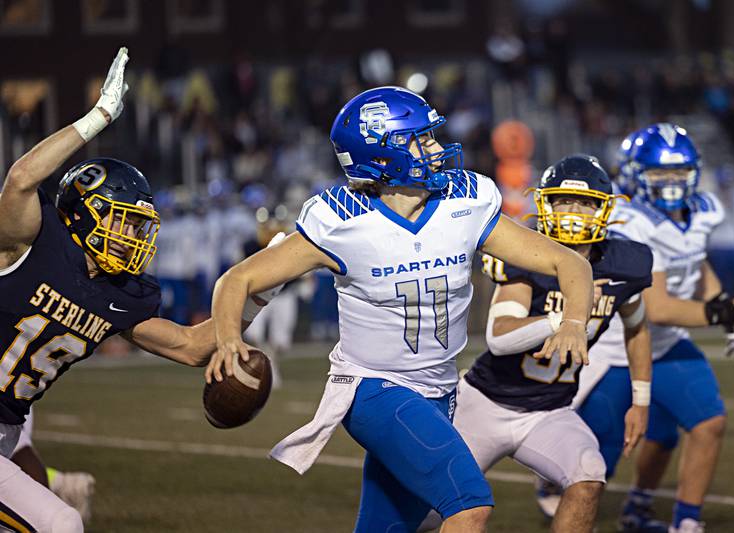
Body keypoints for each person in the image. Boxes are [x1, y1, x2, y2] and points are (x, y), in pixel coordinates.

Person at [206, 86, 595, 533]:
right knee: (469, 506)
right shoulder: (341, 222)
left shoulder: (463, 203)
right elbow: (238, 279)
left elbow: (567, 262)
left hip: (440, 391)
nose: (435, 148)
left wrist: (573, 322)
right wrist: (229, 339)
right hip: (375, 389)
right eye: (421, 139)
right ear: (383, 153)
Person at [0, 47, 270, 533]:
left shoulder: (122, 295)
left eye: (140, 227)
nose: (135, 238)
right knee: (59, 525)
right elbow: (20, 179)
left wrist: (266, 284)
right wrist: (97, 117)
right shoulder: (30, 243)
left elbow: (192, 346)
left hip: (7, 427)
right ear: (84, 211)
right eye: (124, 221)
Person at [420, 155, 653, 533]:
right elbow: (499, 337)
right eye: (563, 200)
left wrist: (640, 401)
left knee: (588, 476)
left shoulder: (622, 264)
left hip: (550, 410)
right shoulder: (527, 256)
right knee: (426, 512)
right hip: (484, 404)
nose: (573, 211)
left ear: (605, 210)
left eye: (585, 202)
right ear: (545, 204)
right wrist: (563, 321)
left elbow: (638, 328)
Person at [578, 124, 734, 533]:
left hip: (666, 344)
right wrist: (725, 314)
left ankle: (681, 520)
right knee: (596, 456)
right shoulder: (630, 221)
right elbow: (655, 307)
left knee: (706, 422)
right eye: (660, 173)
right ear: (635, 173)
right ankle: (554, 489)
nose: (673, 182)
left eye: (680, 171)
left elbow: (694, 263)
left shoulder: (702, 210)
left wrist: (716, 299)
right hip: (614, 346)